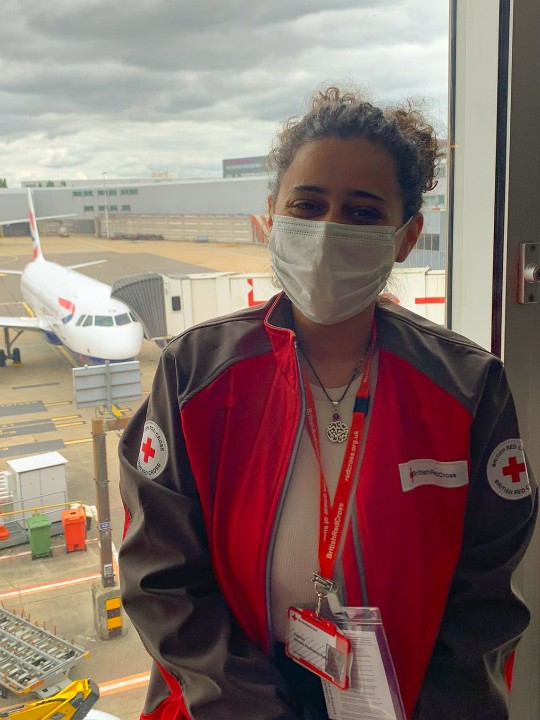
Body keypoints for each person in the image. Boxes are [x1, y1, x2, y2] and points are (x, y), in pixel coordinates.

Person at [118, 87, 537, 720]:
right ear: (271, 217)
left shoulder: (468, 387)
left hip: (405, 697)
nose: (327, 231)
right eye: (307, 205)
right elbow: (160, 574)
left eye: (363, 213)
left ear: (406, 237)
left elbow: (484, 596)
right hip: (232, 692)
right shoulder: (195, 373)